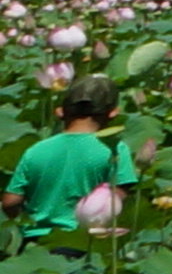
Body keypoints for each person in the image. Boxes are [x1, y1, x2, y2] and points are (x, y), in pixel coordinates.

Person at [12, 76, 131, 242]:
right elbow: (116, 198)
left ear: (60, 112)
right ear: (113, 113)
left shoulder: (35, 150)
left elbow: (11, 201)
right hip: (84, 240)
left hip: (35, 241)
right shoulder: (115, 149)